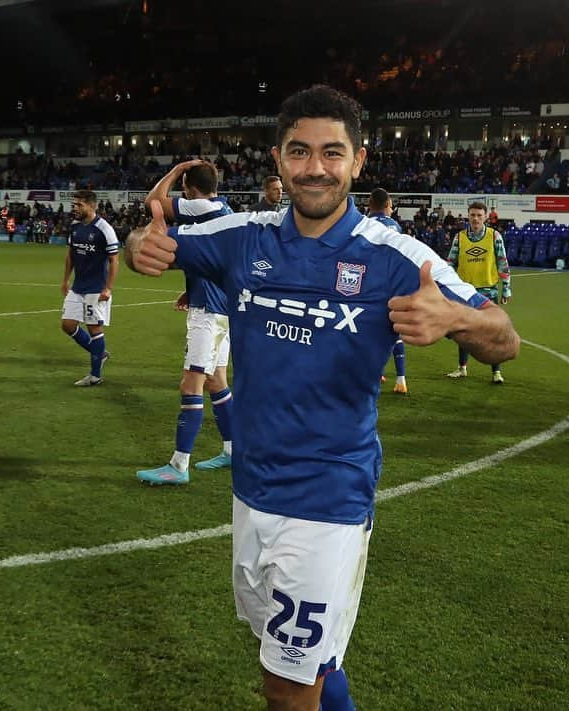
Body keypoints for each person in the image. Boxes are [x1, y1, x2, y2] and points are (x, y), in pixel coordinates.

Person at [124, 84, 519, 711]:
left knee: (285, 687)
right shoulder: (243, 237)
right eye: (300, 151)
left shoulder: (394, 257)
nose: (315, 168)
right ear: (278, 161)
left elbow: (506, 337)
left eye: (332, 153)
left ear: (358, 162)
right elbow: (156, 244)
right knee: (305, 661)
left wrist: (455, 320)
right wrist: (139, 250)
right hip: (253, 488)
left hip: (329, 495)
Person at [137, 160, 236, 485]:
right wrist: (190, 288)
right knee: (216, 381)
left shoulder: (198, 205)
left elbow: (153, 202)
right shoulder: (223, 208)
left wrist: (177, 169)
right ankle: (234, 449)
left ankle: (178, 466)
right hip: (221, 307)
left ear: (190, 189)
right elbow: (214, 258)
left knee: (190, 383)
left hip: (209, 312)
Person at [445, 201, 512, 383]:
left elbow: (502, 263)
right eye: (472, 215)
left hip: (488, 291)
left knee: (493, 331)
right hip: (465, 291)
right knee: (463, 331)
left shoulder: (494, 236)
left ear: (485, 217)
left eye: (479, 215)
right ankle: (462, 368)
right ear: (468, 216)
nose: (475, 218)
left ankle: (496, 372)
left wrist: (506, 288)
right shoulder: (459, 238)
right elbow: (450, 263)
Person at [59, 189, 119, 386]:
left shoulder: (104, 229)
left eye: (79, 205)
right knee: (67, 325)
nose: (75, 208)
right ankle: (99, 353)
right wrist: (66, 279)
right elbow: (71, 254)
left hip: (96, 288)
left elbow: (114, 260)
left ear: (91, 206)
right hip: (78, 286)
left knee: (94, 328)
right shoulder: (75, 227)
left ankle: (95, 376)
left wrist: (108, 288)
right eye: (74, 204)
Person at [366, 187, 409, 394]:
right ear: (386, 206)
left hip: (368, 288)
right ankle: (401, 379)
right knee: (394, 331)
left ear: (369, 206)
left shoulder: (363, 224)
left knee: (366, 331)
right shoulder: (395, 226)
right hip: (392, 286)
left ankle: (374, 372)